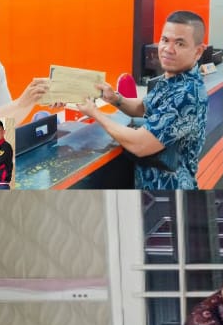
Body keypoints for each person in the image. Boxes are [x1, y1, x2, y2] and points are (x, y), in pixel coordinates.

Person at [79, 10, 208, 191]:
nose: (168, 49)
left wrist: (95, 114)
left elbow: (140, 144)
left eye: (180, 43)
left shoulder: (188, 94)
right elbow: (144, 108)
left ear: (198, 51)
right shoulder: (172, 78)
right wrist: (114, 98)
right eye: (165, 40)